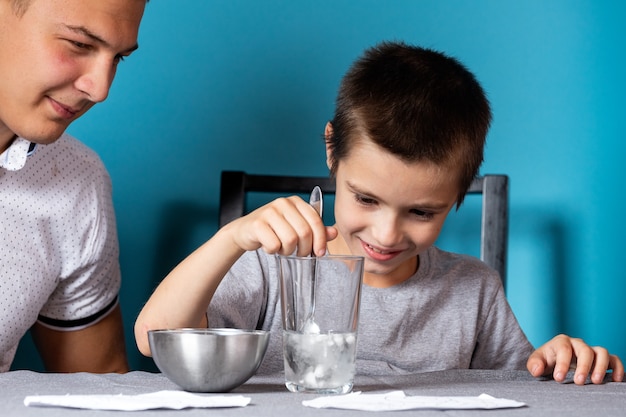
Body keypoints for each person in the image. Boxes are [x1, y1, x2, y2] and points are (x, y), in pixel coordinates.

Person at [134, 41, 623, 385]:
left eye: (422, 211)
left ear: (458, 195)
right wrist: (231, 240)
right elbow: (154, 340)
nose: (387, 234)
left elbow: (525, 387)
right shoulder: (273, 265)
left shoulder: (473, 289)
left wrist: (561, 362)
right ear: (332, 149)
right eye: (366, 199)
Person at [0, 0, 148, 372]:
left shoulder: (77, 178)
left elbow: (97, 389)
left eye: (119, 58)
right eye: (79, 45)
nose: (100, 90)